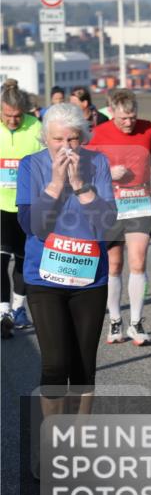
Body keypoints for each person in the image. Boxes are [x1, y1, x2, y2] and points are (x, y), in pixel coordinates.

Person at [15, 103, 117, 416]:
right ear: (46, 138)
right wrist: (57, 183)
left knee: (83, 366)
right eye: (58, 140)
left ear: (83, 138)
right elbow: (34, 226)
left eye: (72, 139)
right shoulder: (31, 166)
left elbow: (109, 227)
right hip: (44, 278)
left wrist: (81, 187)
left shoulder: (97, 163)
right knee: (56, 365)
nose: (66, 147)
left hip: (90, 278)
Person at [88, 89, 151, 346]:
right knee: (113, 265)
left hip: (140, 202)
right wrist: (109, 172)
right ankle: (114, 320)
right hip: (110, 205)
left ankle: (136, 322)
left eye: (132, 117)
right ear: (112, 112)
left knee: (138, 260)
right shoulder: (99, 133)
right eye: (123, 118)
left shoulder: (148, 128)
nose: (129, 122)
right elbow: (86, 165)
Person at [1, 80, 44, 338]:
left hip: (27, 205)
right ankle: (3, 311)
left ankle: (19, 308)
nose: (13, 121)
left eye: (18, 116)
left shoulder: (36, 127)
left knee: (23, 261)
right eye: (8, 116)